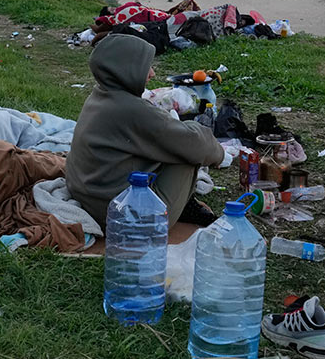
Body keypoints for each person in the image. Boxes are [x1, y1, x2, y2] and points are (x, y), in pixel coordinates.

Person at [66, 33, 224, 226]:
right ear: (126, 69)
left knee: (172, 143)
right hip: (126, 216)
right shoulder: (130, 109)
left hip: (93, 201)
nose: (152, 74)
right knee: (188, 152)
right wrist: (219, 154)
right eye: (146, 66)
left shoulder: (99, 97)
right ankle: (184, 207)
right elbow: (196, 145)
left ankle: (184, 202)